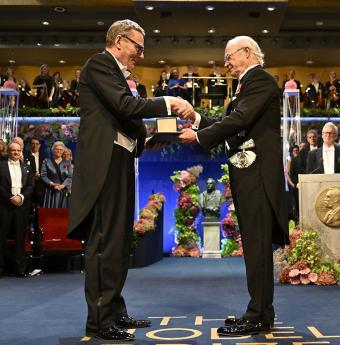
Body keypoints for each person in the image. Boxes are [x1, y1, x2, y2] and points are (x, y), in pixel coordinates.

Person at [66, 19, 193, 342]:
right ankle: (99, 321)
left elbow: (128, 121)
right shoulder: (99, 64)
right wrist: (168, 102)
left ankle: (115, 310)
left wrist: (151, 139)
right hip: (102, 169)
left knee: (120, 242)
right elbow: (125, 107)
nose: (140, 53)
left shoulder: (122, 77)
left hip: (121, 163)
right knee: (104, 243)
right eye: (138, 47)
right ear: (120, 40)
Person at [179, 35, 289, 337]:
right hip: (249, 176)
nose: (225, 63)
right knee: (255, 247)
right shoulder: (247, 85)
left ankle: (257, 315)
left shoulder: (261, 81)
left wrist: (199, 137)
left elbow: (239, 120)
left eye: (229, 56)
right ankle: (261, 313)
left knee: (257, 248)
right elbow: (231, 119)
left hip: (258, 178)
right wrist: (198, 118)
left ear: (247, 53)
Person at [0, 142, 34, 277]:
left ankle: (20, 268)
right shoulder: (1, 165)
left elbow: (31, 185)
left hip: (22, 205)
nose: (15, 152)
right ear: (8, 151)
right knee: (1, 236)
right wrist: (9, 197)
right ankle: (0, 268)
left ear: (21, 151)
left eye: (18, 150)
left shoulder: (26, 167)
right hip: (4, 204)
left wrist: (21, 196)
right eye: (13, 150)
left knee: (20, 237)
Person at [41, 141, 73, 208]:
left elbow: (70, 177)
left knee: (62, 214)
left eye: (61, 149)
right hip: (50, 191)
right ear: (53, 150)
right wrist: (52, 184)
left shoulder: (67, 163)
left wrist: (62, 186)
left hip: (63, 191)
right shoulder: (46, 161)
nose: (59, 151)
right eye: (57, 149)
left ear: (63, 151)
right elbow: (43, 175)